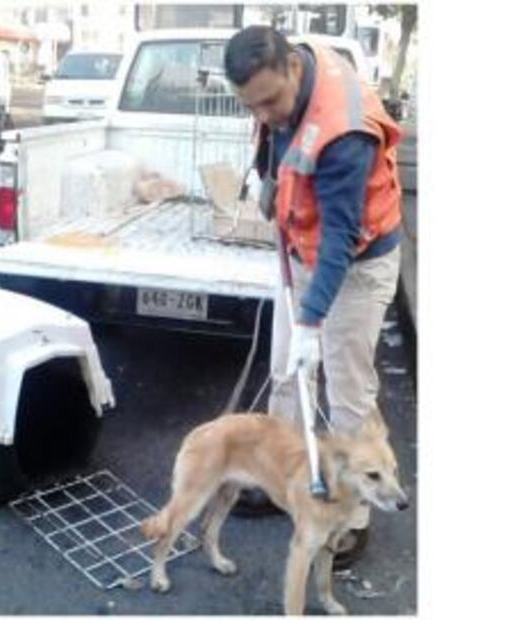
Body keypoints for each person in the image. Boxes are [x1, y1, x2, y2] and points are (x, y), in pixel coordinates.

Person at [223, 26, 403, 569]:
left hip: (357, 260)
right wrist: (266, 183)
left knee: (347, 390)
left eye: (271, 101)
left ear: (293, 71)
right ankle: (285, 482)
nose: (266, 115)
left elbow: (342, 240)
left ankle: (350, 519)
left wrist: (311, 322)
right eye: (252, 106)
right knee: (287, 374)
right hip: (303, 249)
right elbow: (279, 144)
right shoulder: (275, 94)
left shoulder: (345, 131)